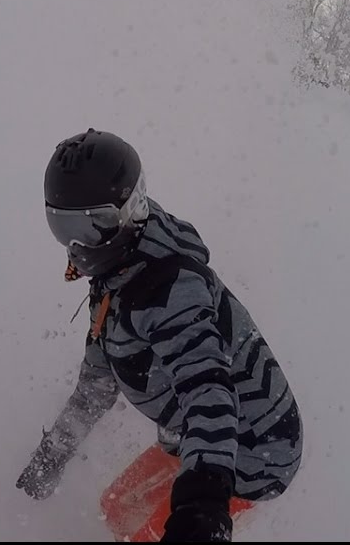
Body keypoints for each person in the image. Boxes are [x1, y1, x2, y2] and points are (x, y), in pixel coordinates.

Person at [17, 128, 302, 542]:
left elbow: (208, 389)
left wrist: (203, 505)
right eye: (63, 228)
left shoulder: (170, 290)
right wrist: (51, 457)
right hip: (194, 433)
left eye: (92, 227)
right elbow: (97, 385)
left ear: (129, 211)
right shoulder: (115, 276)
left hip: (251, 450)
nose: (77, 246)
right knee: (115, 508)